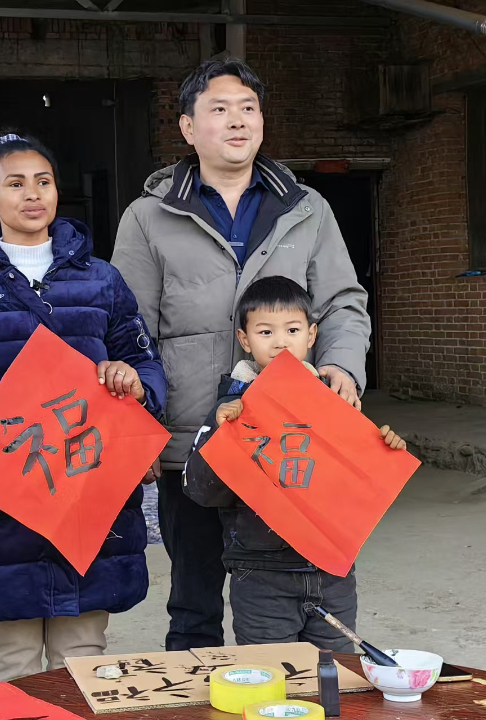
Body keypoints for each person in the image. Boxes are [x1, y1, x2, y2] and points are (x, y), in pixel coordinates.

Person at [111, 58, 371, 650]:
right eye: (219, 109)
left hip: (293, 440)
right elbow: (128, 331)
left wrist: (341, 367)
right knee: (194, 602)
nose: (237, 121)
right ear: (187, 127)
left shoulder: (308, 208)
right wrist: (139, 429)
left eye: (248, 108)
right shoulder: (149, 216)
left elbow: (343, 304)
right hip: (193, 444)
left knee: (296, 594)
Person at [0, 132, 167, 686]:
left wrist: (134, 383)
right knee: (12, 662)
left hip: (87, 491)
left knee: (84, 659)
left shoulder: (101, 280)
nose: (32, 194)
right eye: (14, 184)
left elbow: (146, 363)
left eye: (43, 181)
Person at [183, 277, 404, 650]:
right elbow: (199, 490)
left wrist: (384, 447)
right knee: (271, 682)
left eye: (293, 329)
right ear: (244, 339)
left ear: (312, 335)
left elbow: (355, 482)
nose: (281, 341)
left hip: (332, 573)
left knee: (335, 680)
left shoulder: (331, 401)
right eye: (266, 331)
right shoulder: (232, 407)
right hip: (261, 573)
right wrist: (223, 435)